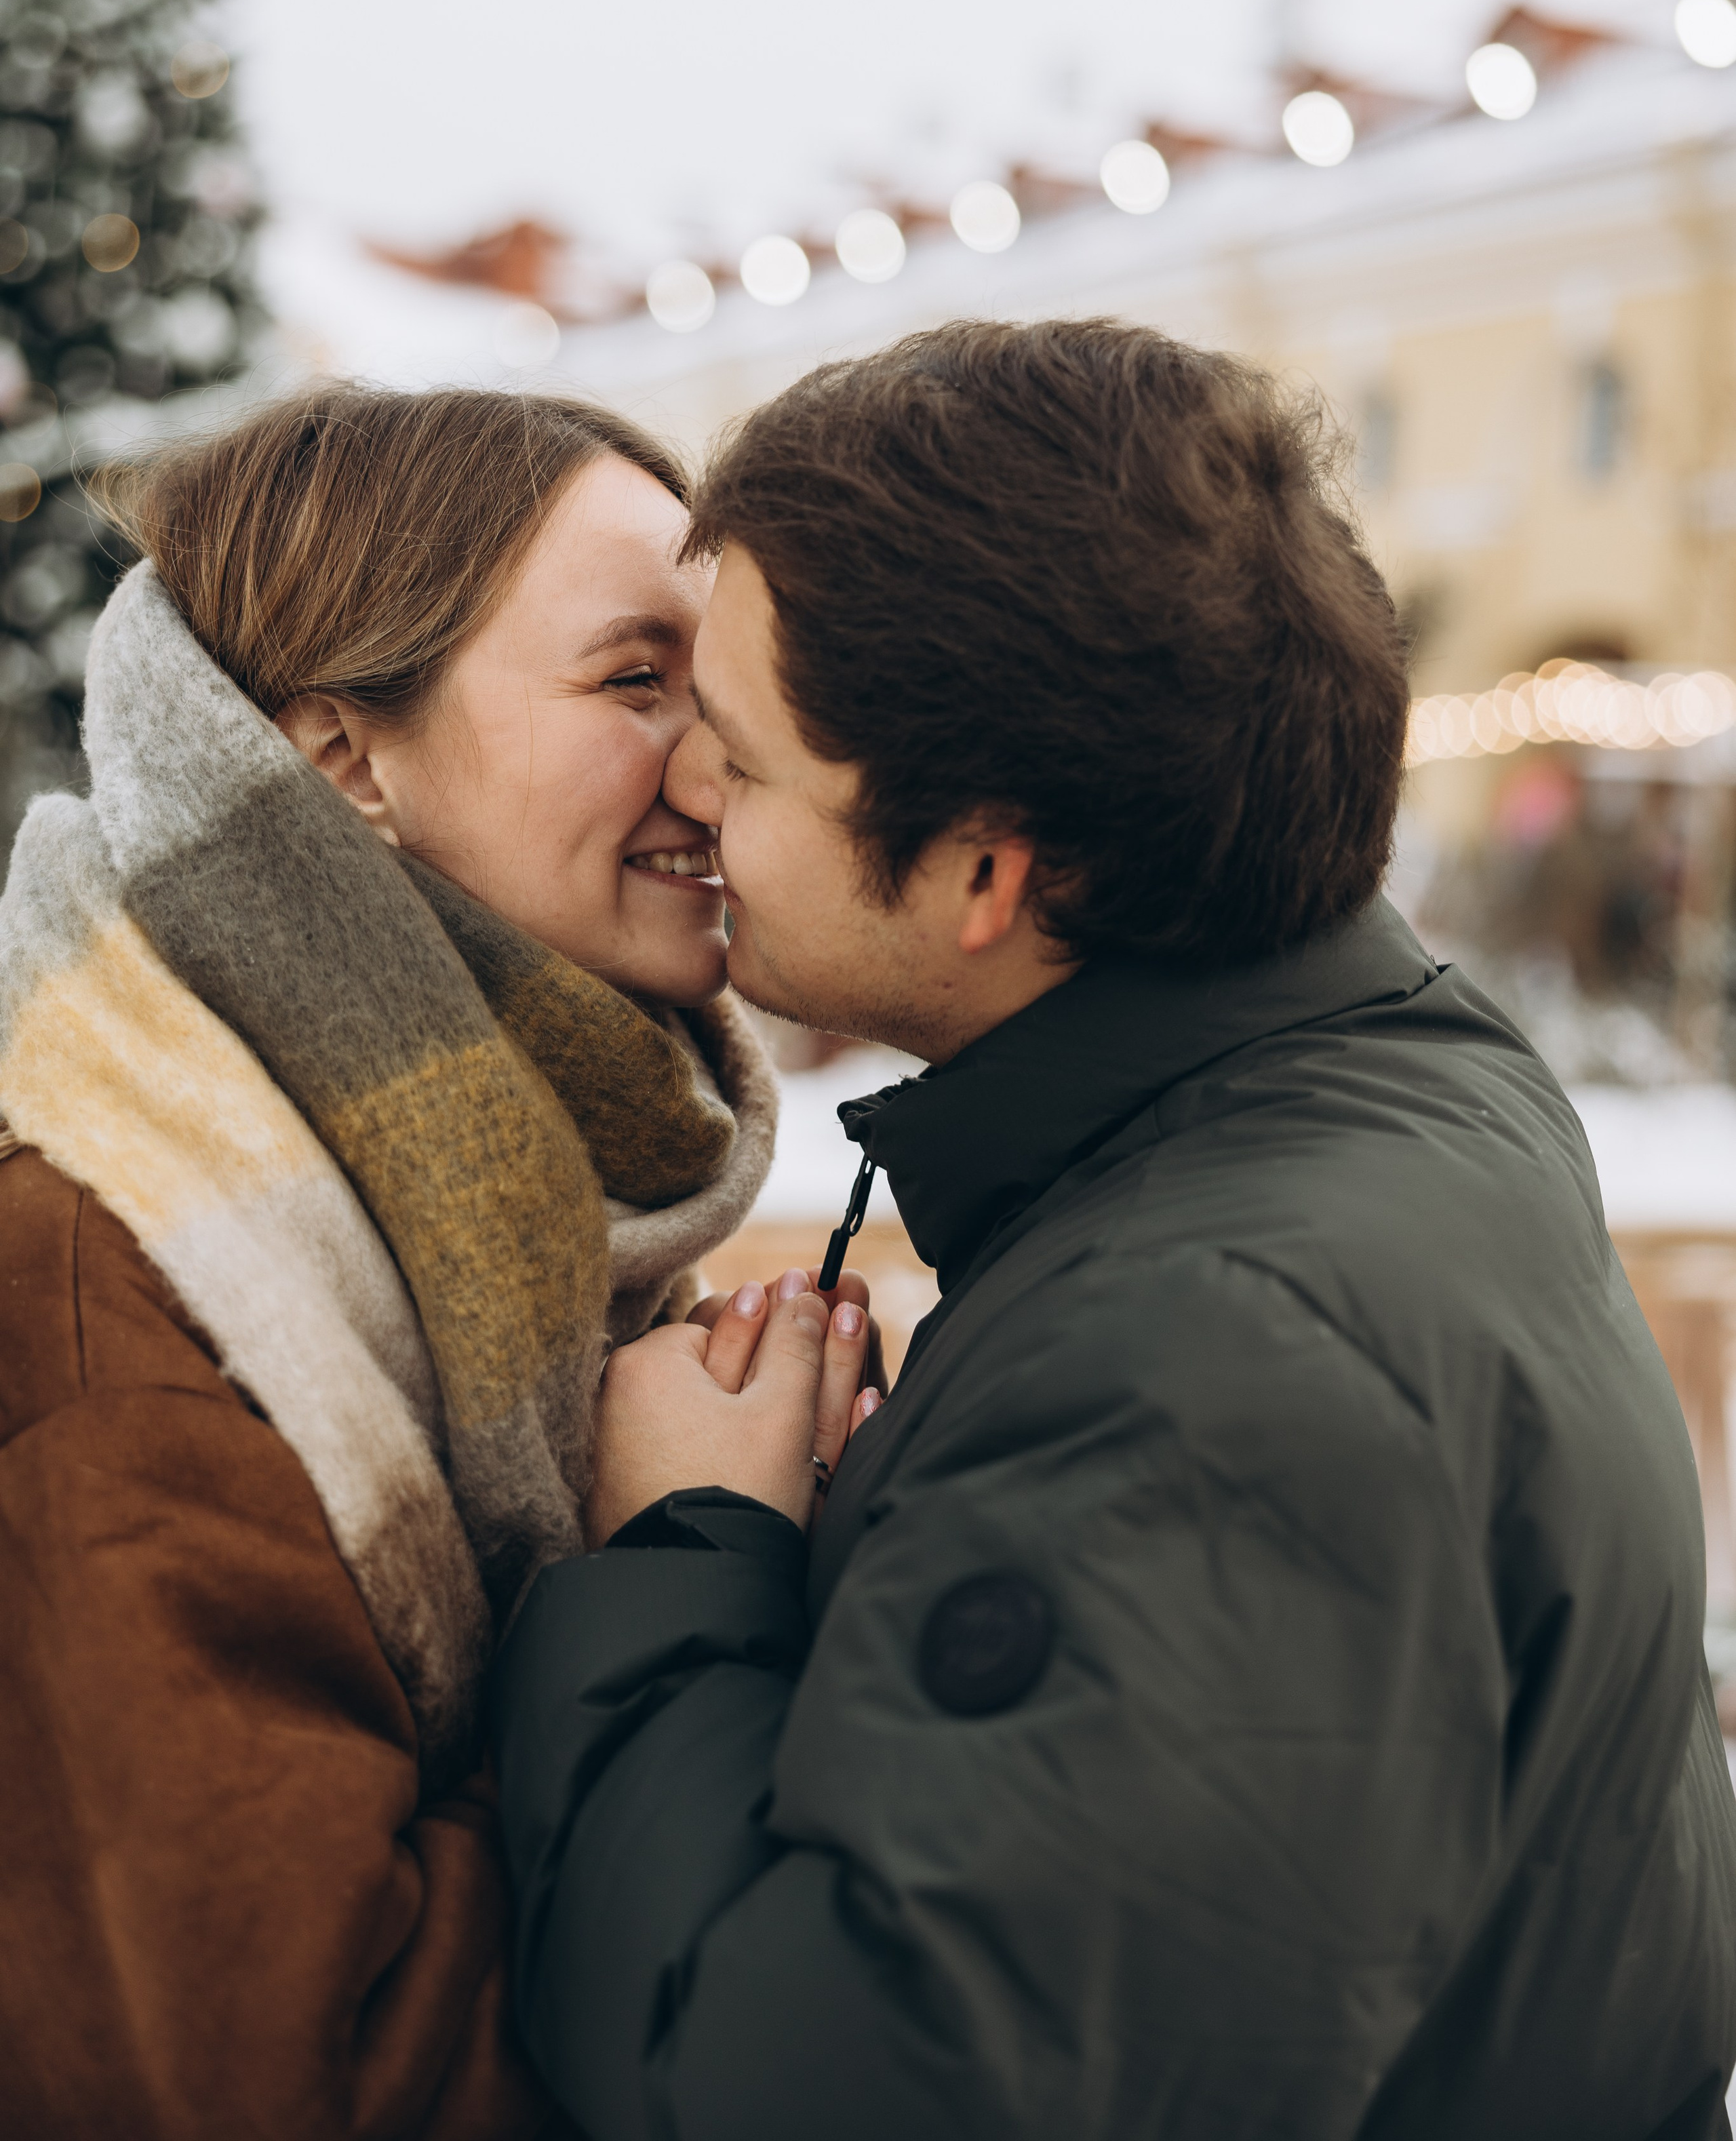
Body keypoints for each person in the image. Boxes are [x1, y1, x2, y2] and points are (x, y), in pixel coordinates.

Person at [490, 318, 1736, 2140]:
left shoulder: (1215, 1356)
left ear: (986, 871)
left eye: (744, 762)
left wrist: (685, 1561)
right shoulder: (1372, 1080)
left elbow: (830, 2095)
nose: (687, 788)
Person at [0, 385, 875, 2138]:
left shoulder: (554, 1230)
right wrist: (666, 1581)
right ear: (344, 763)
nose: (716, 766)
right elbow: (286, 2076)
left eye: (717, 693)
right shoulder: (114, 1281)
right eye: (636, 681)